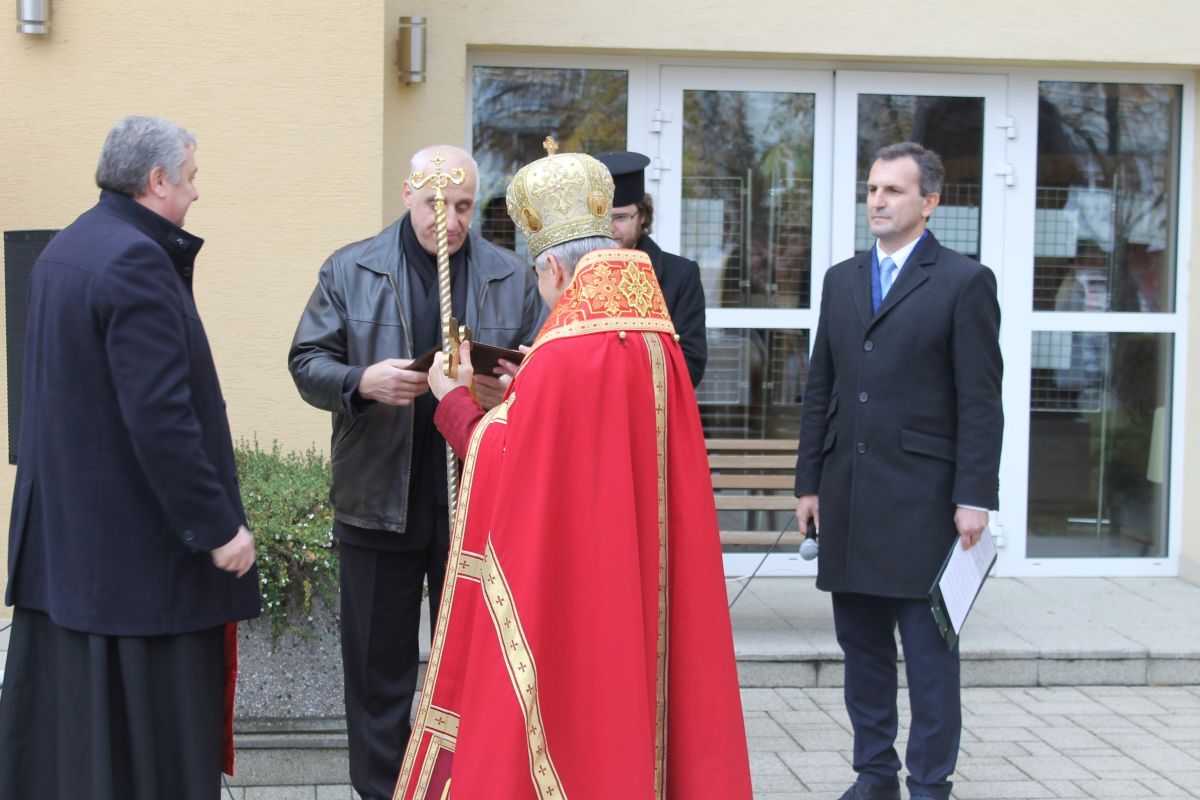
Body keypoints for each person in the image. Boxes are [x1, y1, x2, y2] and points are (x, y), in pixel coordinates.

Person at [393, 145, 752, 800]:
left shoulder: (563, 356)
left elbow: (508, 470)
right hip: (641, 571)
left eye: (539, 276)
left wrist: (453, 400)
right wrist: (528, 388)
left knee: (585, 725)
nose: (542, 290)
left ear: (554, 267)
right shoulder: (654, 337)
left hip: (585, 593)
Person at [0, 115, 260, 800]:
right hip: (138, 567)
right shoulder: (136, 260)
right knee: (149, 755)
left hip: (73, 557)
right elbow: (160, 416)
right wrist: (218, 528)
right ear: (156, 180)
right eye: (191, 177)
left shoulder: (68, 247)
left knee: (81, 754)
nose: (196, 192)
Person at [287, 144, 542, 800]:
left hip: (478, 501)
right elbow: (307, 362)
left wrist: (512, 387)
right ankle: (381, 791)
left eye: (463, 206)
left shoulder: (512, 276)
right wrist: (359, 381)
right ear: (407, 194)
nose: (448, 221)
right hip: (378, 499)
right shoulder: (351, 269)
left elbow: (544, 373)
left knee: (478, 671)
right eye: (435, 204)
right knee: (379, 675)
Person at [793, 142, 1003, 800]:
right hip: (850, 497)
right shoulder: (842, 279)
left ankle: (931, 785)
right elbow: (821, 386)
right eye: (872, 189)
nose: (877, 201)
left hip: (925, 503)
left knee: (930, 657)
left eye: (893, 190)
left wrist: (974, 496)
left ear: (929, 202)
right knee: (862, 651)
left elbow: (981, 400)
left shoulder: (964, 281)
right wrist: (808, 483)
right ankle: (875, 774)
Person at [596, 150, 708, 386]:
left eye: (620, 217)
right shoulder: (580, 270)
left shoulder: (681, 274)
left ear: (643, 216)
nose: (610, 228)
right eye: (602, 218)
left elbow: (691, 363)